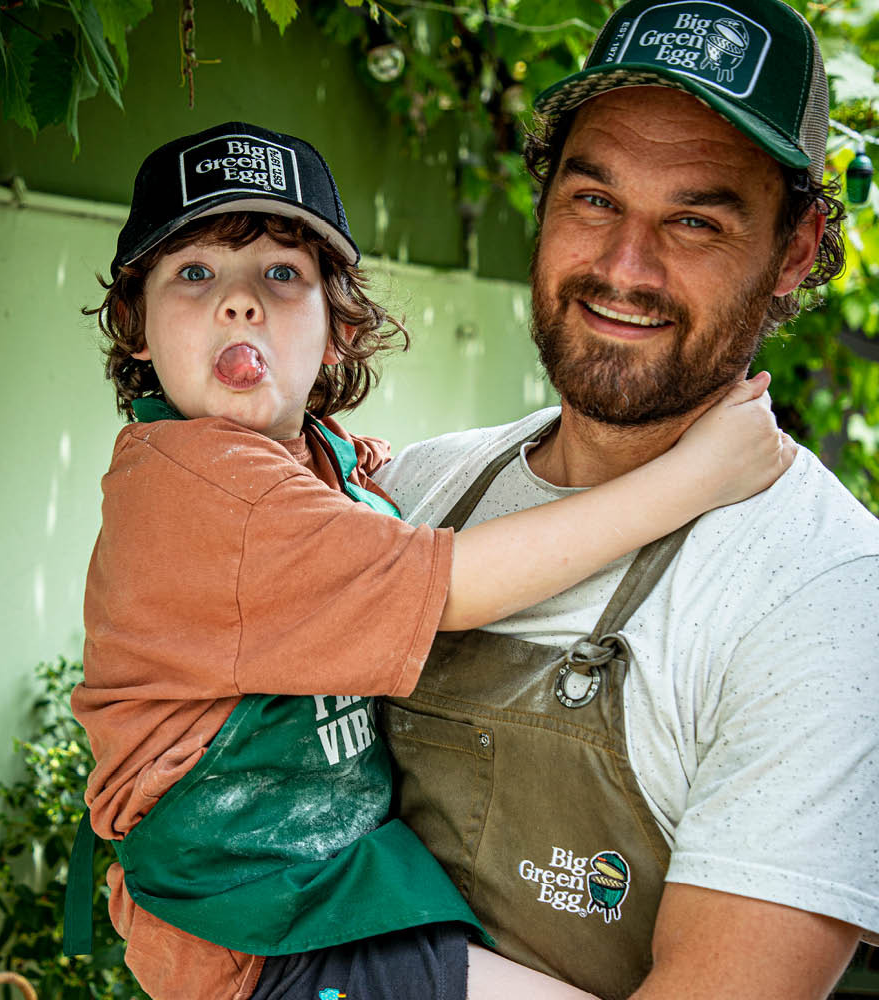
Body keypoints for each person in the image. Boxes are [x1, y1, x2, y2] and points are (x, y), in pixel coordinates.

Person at [64, 120, 792, 1000]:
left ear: (337, 329)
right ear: (136, 326)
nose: (240, 302)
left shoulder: (309, 464)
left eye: (282, 274)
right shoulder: (200, 489)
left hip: (305, 898)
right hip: (261, 929)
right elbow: (456, 583)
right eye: (194, 273)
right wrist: (696, 476)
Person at [373, 1, 879, 999]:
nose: (622, 268)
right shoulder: (416, 488)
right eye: (594, 199)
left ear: (795, 248)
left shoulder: (825, 597)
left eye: (695, 221)